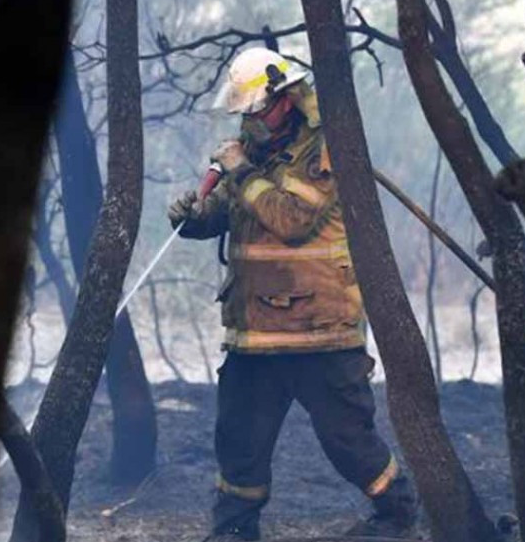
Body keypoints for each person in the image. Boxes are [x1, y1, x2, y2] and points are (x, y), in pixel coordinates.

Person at [168, 47, 418, 541]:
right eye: (245, 113)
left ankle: (397, 513)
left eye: (256, 109)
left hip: (316, 330)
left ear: (284, 98)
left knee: (347, 440)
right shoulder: (255, 148)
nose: (250, 120)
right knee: (238, 441)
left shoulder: (324, 150)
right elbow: (234, 210)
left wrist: (239, 170)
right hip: (254, 334)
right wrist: (195, 217)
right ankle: (234, 532)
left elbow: (291, 220)